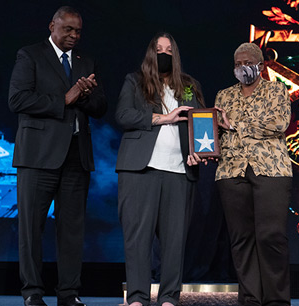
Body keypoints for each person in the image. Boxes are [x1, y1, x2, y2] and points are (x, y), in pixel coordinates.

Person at [8, 6, 107, 306]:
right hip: (38, 157)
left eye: (78, 31)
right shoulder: (30, 55)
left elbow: (101, 107)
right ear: (53, 26)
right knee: (31, 229)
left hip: (76, 156)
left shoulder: (85, 61)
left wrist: (87, 96)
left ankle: (68, 294)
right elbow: (17, 99)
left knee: (72, 231)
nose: (74, 36)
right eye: (68, 30)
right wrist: (65, 99)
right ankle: (32, 292)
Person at [115, 32, 205, 306]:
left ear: (175, 55)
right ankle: (138, 297)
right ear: (150, 53)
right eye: (158, 48)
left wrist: (199, 151)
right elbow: (123, 115)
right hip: (140, 170)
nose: (164, 53)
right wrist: (162, 118)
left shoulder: (188, 85)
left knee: (174, 240)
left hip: (179, 172)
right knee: (138, 238)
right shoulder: (136, 82)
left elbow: (200, 119)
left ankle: (169, 297)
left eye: (169, 49)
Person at [214, 42, 293, 306]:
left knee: (271, 236)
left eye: (247, 62)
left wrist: (234, 124)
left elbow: (278, 123)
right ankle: (251, 300)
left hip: (271, 169)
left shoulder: (276, 90)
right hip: (231, 171)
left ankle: (276, 301)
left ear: (261, 65)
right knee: (241, 239)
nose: (242, 67)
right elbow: (214, 131)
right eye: (237, 63)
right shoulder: (224, 96)